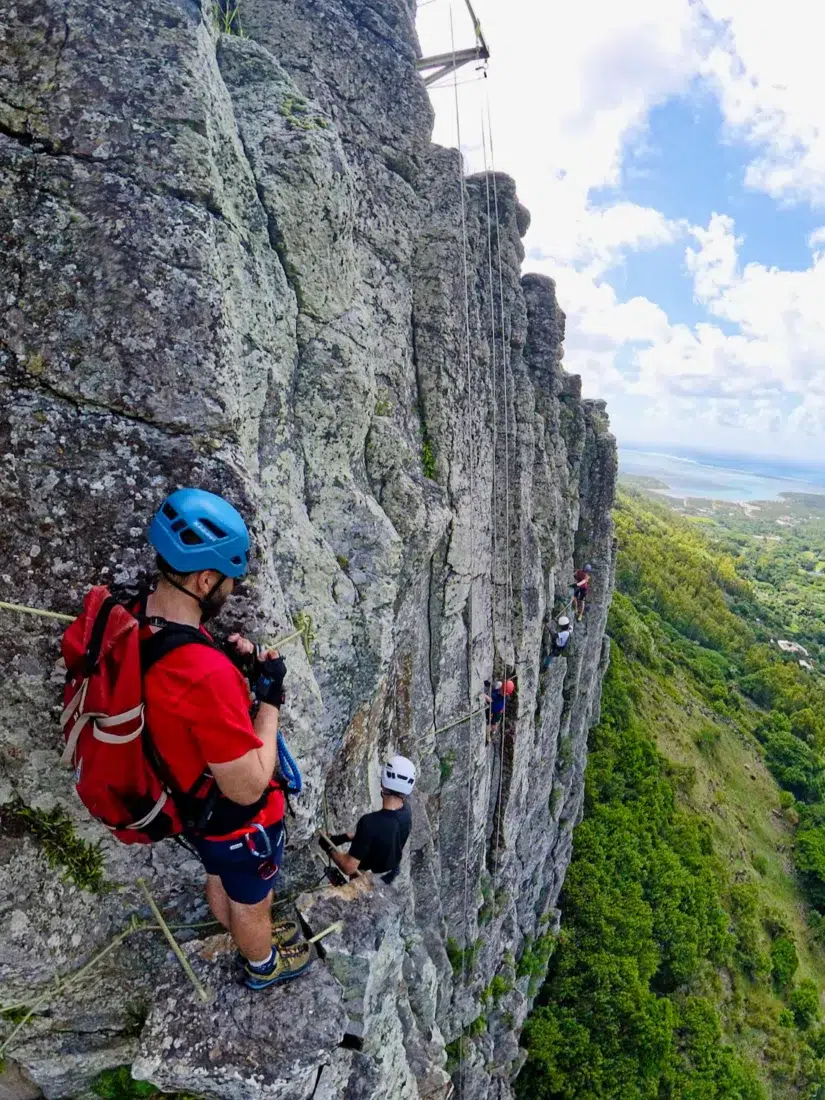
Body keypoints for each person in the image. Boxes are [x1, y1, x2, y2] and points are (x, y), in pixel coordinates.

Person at [142, 488, 312, 991]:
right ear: (205, 578)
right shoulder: (202, 674)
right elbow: (248, 785)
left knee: (223, 877)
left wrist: (228, 666)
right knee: (251, 898)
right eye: (227, 582)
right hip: (236, 815)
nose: (230, 592)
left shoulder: (140, 621)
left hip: (196, 803)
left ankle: (242, 928)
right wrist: (270, 698)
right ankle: (262, 964)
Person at [319, 756, 416, 884]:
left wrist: (329, 849)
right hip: (389, 875)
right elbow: (385, 835)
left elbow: (349, 867)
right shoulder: (406, 811)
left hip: (366, 880)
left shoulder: (370, 823)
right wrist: (348, 837)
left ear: (383, 782)